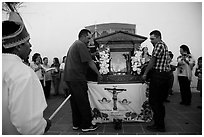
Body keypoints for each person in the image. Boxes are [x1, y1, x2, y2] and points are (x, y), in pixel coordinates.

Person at [2, 20, 51, 134]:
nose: (31, 46)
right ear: (18, 46)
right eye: (28, 42)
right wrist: (43, 125)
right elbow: (28, 125)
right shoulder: (23, 72)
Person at [63, 29, 103, 132]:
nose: (89, 41)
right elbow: (89, 62)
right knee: (83, 102)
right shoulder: (81, 44)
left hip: (70, 78)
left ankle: (76, 124)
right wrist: (98, 74)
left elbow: (87, 57)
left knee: (75, 102)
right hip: (77, 78)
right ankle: (86, 125)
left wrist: (96, 53)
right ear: (83, 36)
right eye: (88, 38)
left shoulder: (75, 44)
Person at [142, 30, 170, 132]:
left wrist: (145, 73)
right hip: (163, 76)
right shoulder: (163, 45)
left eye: (152, 39)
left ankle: (159, 125)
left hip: (159, 76)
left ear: (158, 37)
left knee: (154, 101)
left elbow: (153, 61)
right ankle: (159, 123)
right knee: (159, 102)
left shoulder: (159, 45)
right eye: (150, 39)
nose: (151, 41)